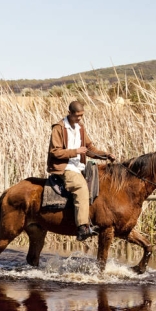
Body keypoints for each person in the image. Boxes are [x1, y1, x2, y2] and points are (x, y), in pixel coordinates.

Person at [47, 101, 116, 241]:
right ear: (70, 113)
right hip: (65, 167)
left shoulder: (80, 128)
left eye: (81, 115)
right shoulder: (59, 128)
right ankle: (82, 228)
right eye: (77, 116)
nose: (79, 118)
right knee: (80, 187)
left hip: (80, 166)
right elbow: (54, 152)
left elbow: (90, 148)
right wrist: (75, 151)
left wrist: (105, 155)